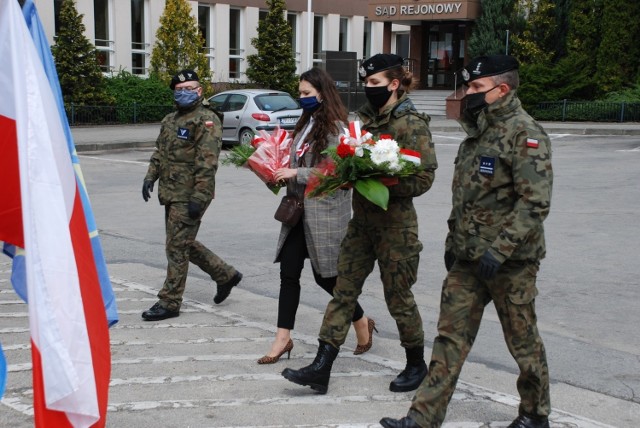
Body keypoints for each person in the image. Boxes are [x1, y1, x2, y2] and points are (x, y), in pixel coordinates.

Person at [379, 55, 553, 428]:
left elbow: (534, 202)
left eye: (476, 88)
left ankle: (535, 415)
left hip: (512, 262)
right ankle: (422, 419)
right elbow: (467, 199)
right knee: (449, 340)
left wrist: (501, 248)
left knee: (523, 342)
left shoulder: (526, 134)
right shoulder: (478, 133)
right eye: (469, 86)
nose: (468, 93)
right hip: (468, 259)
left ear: (501, 89)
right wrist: (452, 243)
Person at [281, 54, 438, 393]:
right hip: (361, 224)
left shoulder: (411, 124)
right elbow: (344, 162)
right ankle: (322, 367)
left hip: (396, 227)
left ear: (394, 84)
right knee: (343, 292)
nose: (369, 88)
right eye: (366, 82)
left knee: (398, 297)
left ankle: (415, 363)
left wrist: (384, 180)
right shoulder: (362, 120)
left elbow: (424, 178)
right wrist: (349, 176)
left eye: (375, 83)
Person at [258, 67, 376, 364]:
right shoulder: (305, 124)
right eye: (300, 93)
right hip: (298, 209)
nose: (302, 98)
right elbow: (294, 160)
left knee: (327, 278)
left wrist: (297, 172)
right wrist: (277, 171)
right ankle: (282, 338)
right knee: (289, 273)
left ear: (322, 93)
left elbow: (335, 170)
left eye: (306, 93)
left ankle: (361, 321)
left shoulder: (336, 126)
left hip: (324, 212)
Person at [140, 69, 242, 321]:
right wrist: (150, 176)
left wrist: (199, 197)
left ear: (200, 91)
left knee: (176, 246)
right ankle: (225, 275)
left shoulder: (206, 120)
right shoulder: (170, 120)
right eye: (180, 89)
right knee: (181, 243)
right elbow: (159, 152)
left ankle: (170, 301)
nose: (185, 93)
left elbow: (207, 163)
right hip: (171, 192)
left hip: (191, 193)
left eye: (190, 88)